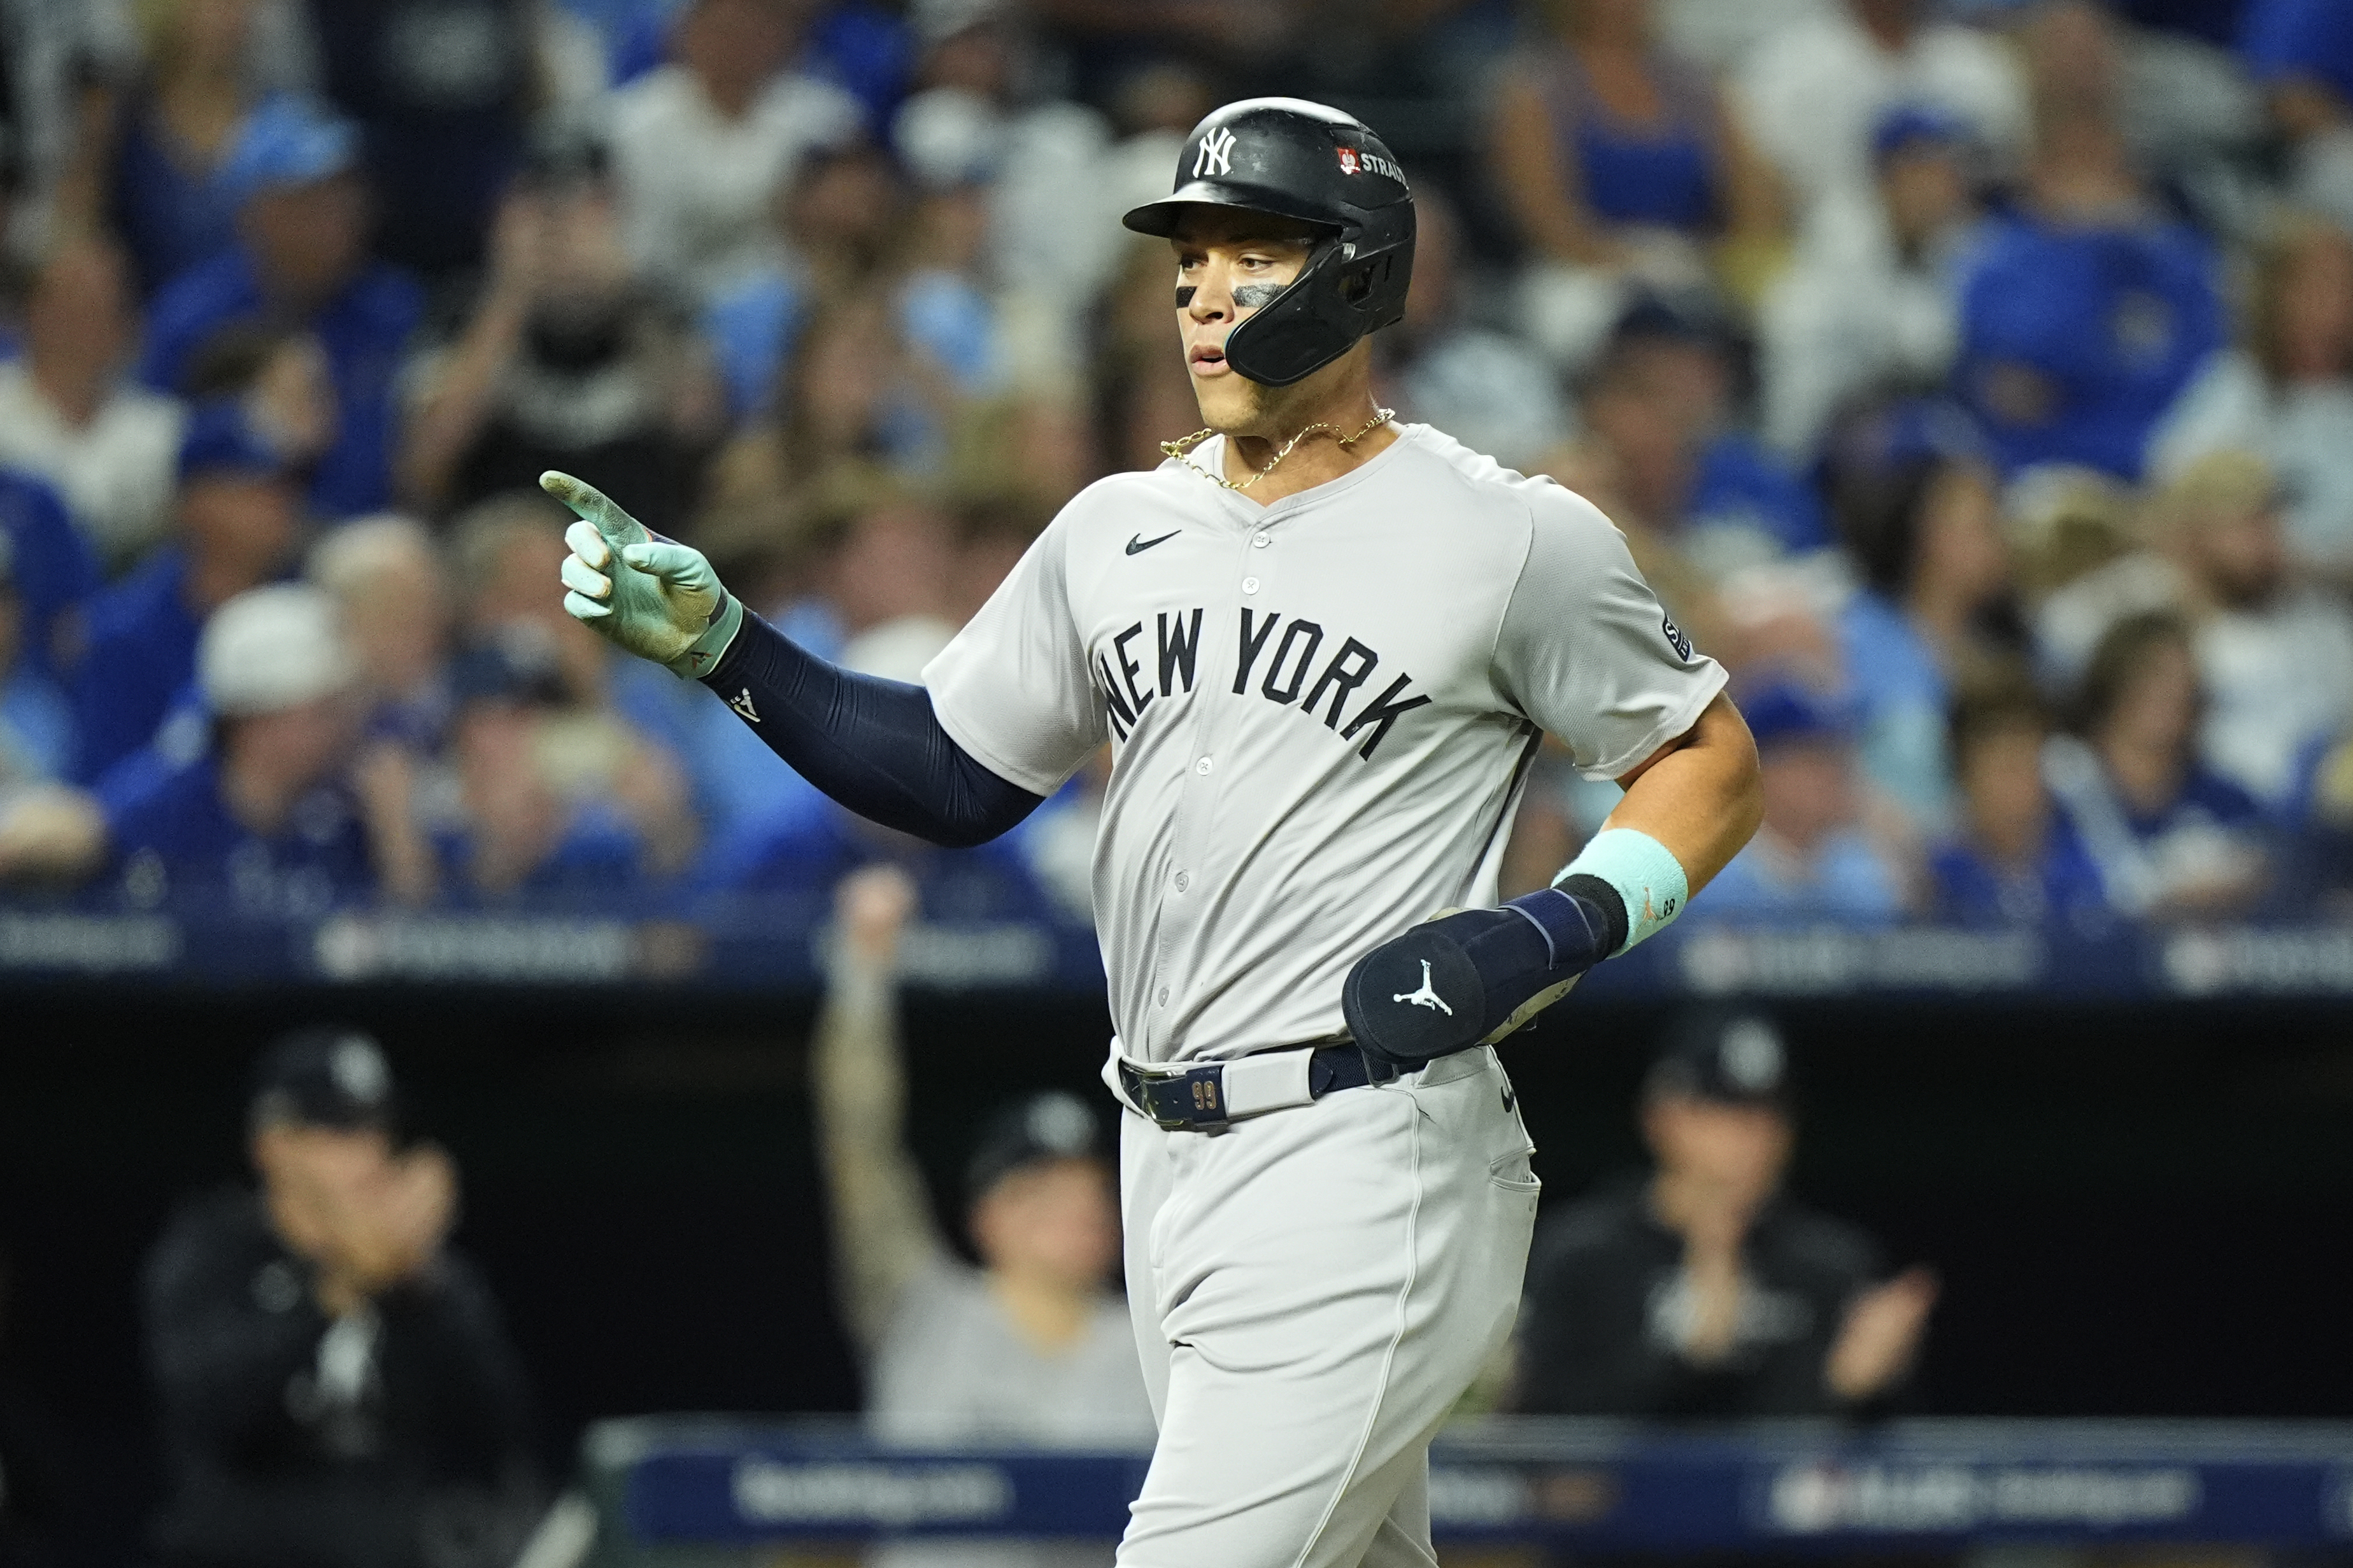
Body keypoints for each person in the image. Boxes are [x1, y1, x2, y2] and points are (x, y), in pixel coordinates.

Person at [549, 97, 1762, 1565]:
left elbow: (1705, 758)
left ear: (1357, 273)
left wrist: (1548, 925)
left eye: (1245, 254)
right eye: (1186, 260)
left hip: (1367, 1148)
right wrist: (732, 647)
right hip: (1159, 1153)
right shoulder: (1115, 525)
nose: (1198, 293)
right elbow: (952, 772)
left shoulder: (1503, 535)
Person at [816, 864, 1153, 1566]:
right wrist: (862, 981)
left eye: (1088, 1193)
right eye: (1041, 1195)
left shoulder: (1158, 1346)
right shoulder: (922, 1306)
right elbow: (858, 1145)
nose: (1077, 1212)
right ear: (986, 1220)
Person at [143, 1028, 539, 1568]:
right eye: (339, 1129)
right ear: (273, 1145)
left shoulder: (428, 1277)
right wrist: (341, 1286)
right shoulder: (214, 1251)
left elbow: (495, 1428)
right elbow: (215, 1410)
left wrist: (417, 1283)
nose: (369, 1152)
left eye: (378, 1128)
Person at [1513, 1008, 1937, 1416]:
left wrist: (1850, 1391)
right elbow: (1548, 1446)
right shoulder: (1582, 1256)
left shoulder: (1829, 1263)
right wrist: (1689, 1358)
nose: (1751, 1139)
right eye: (1723, 1111)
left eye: (1767, 1114)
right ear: (1662, 1117)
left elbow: (1858, 1459)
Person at [1952, 0, 2225, 481]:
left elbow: (2206, 380)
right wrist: (2083, 251)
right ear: (2038, 176)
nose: (2098, 185)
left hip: (2167, 479)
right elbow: (2012, 402)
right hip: (2045, 486)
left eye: (2106, 160)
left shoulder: (2174, 257)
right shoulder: (1994, 264)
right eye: (2074, 163)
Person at [399, 133, 723, 532]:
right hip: (505, 553)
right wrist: (514, 291)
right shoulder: (464, 309)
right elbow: (429, 459)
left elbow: (697, 427)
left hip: (639, 549)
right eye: (544, 209)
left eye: (589, 208)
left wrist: (622, 294)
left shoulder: (659, 307)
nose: (565, 228)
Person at [137, 94, 425, 521]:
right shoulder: (192, 318)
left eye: (347, 193)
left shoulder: (392, 307)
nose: (341, 215)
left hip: (371, 538)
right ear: (257, 213)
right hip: (239, 542)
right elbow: (155, 456)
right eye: (313, 199)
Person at [1488, 0, 1784, 370]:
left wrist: (1717, 258)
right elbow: (1544, 215)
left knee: (1782, 317)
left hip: (1694, 259)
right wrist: (1637, 265)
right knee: (1578, 325)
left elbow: (1752, 195)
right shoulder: (1536, 90)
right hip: (1582, 269)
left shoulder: (1696, 85)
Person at [69, 400, 301, 785]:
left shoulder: (306, 615)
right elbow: (103, 794)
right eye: (250, 488)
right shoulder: (124, 636)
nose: (277, 504)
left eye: (282, 488)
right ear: (193, 505)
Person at [1758, 104, 1982, 458]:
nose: (1944, 187)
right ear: (1887, 176)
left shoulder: (1953, 248)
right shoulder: (1837, 244)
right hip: (1822, 434)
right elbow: (1918, 347)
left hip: (1900, 422)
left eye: (1949, 171)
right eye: (1927, 171)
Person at [1827, 416, 2017, 828]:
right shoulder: (1853, 638)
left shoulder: (2011, 646)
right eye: (1980, 523)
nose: (1998, 540)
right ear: (1922, 528)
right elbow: (1828, 761)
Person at [606, 0, 864, 301]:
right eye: (723, 32)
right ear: (684, 37)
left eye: (753, 30)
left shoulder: (824, 119)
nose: (737, 45)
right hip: (663, 296)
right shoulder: (629, 123)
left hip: (799, 298)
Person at [2149, 216, 2353, 577]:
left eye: (2346, 284)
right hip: (2271, 602)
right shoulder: (2235, 392)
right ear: (2275, 293)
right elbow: (2177, 501)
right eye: (2319, 284)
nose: (2339, 301)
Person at [2044, 609, 2271, 919]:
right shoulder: (2056, 788)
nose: (2172, 692)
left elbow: (2273, 885)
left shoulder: (2227, 800)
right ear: (2112, 683)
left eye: (2184, 680)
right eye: (2153, 676)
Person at [1735, 0, 2028, 225]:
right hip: (1831, 258)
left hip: (1963, 255)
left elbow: (2009, 184)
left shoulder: (1979, 66)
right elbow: (1759, 197)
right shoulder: (1786, 68)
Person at [0, 234, 187, 569]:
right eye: (75, 303)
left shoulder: (166, 430)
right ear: (29, 313)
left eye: (108, 304)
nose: (93, 319)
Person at [1695, 678, 1910, 923]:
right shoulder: (1710, 876)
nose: (1838, 774)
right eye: (1817, 759)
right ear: (1762, 770)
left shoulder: (1860, 872)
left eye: (1841, 757)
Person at [1928, 671, 2107, 926]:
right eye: (2005, 768)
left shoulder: (2082, 873)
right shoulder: (1937, 880)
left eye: (2030, 764)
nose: (2020, 784)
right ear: (1965, 775)